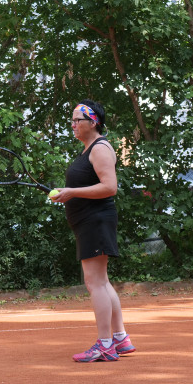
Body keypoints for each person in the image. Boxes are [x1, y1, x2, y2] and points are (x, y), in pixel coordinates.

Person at [49, 100, 135, 362]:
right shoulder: (89, 150)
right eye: (72, 120)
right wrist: (68, 194)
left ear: (93, 121)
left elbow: (110, 187)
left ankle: (105, 345)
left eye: (78, 120)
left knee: (94, 282)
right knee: (102, 281)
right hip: (90, 221)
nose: (73, 125)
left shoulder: (99, 149)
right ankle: (120, 339)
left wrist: (71, 192)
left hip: (95, 221)